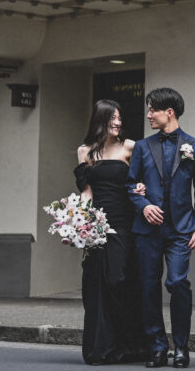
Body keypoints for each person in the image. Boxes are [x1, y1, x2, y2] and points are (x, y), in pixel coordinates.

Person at [128, 87, 195, 369]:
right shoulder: (141, 147)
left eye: (153, 110)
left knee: (177, 282)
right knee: (149, 288)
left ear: (169, 112)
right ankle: (158, 348)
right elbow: (130, 184)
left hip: (181, 230)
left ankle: (182, 348)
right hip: (147, 231)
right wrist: (143, 204)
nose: (149, 115)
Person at [74, 99, 148, 366]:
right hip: (97, 225)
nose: (117, 122)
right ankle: (102, 348)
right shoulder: (85, 151)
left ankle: (131, 345)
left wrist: (142, 188)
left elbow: (143, 179)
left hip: (124, 222)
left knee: (118, 279)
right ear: (100, 121)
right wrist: (76, 226)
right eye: (112, 118)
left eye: (119, 118)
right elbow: (86, 193)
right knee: (95, 285)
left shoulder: (131, 147)